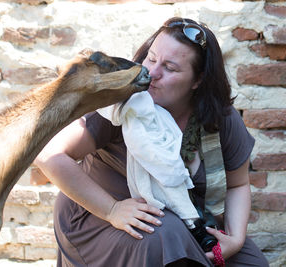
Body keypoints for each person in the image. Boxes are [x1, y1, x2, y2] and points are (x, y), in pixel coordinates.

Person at [34, 17, 269, 266]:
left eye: (170, 67)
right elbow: (49, 155)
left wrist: (235, 238)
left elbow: (237, 184)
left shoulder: (217, 117)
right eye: (152, 58)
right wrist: (112, 210)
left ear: (198, 80)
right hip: (96, 218)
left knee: (251, 263)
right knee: (164, 233)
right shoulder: (123, 104)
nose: (153, 73)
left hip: (180, 221)